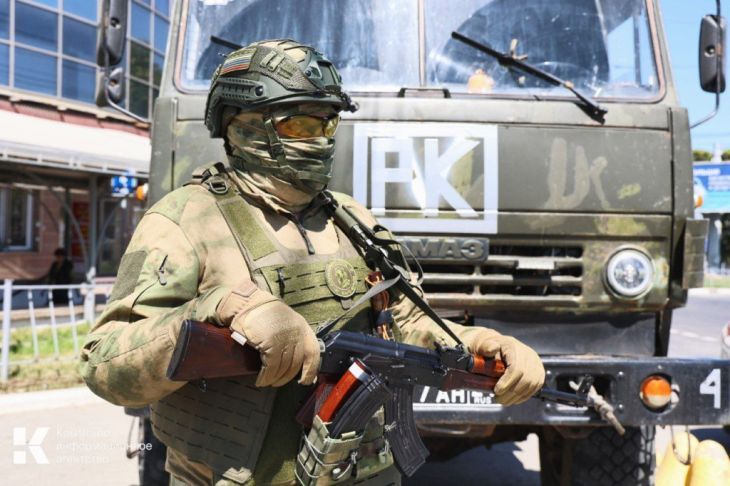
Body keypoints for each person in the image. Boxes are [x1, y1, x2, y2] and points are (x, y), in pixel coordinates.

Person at [80, 39, 545, 486]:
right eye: (300, 125)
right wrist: (225, 306)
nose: (320, 140)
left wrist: (480, 344)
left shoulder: (353, 219)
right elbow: (104, 365)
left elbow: (404, 323)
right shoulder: (187, 218)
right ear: (241, 126)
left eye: (328, 124)